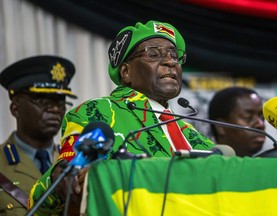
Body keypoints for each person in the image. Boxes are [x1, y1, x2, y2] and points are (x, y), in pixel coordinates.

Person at [28, 20, 215, 215]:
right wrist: (64, 174)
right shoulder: (99, 112)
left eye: (174, 55)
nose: (170, 61)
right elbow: (66, 177)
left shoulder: (193, 135)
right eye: (153, 53)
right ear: (126, 72)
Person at [0, 55, 77, 215]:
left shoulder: (73, 160)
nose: (55, 109)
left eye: (60, 103)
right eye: (44, 101)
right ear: (15, 109)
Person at [208, 86, 266, 157]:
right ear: (220, 126)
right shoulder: (204, 166)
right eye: (248, 117)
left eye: (262, 118)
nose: (260, 125)